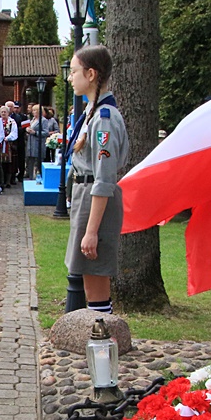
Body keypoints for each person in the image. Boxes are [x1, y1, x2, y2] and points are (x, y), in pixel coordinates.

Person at [63, 45, 130, 314]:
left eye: (74, 71)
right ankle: (97, 331)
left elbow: (103, 178)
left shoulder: (104, 119)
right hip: (86, 196)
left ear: (91, 74)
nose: (70, 77)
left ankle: (101, 334)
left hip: (95, 200)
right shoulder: (92, 112)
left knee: (96, 281)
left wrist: (92, 231)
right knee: (89, 277)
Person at [0, 104, 18, 186]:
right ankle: (1, 180)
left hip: (8, 144)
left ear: (8, 113)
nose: (3, 113)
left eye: (5, 112)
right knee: (0, 163)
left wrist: (7, 138)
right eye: (2, 112)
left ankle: (8, 181)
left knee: (9, 163)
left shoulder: (12, 122)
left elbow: (14, 132)